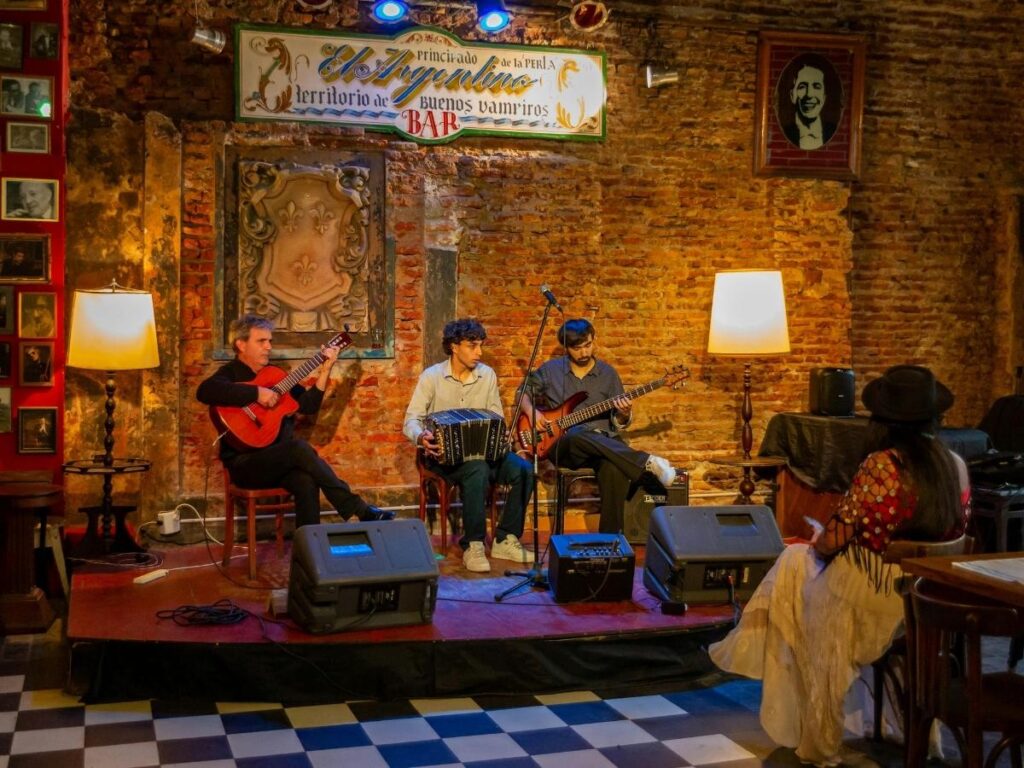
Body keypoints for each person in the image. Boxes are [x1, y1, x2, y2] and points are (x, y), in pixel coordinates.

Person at [709, 365, 971, 767]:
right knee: (796, 565)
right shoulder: (954, 465)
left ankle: (807, 725)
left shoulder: (883, 466)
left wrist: (818, 539)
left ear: (882, 421)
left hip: (876, 601)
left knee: (794, 561)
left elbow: (833, 540)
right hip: (929, 601)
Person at [197, 314, 393, 528]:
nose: (268, 346)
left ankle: (308, 552)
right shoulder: (231, 372)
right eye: (261, 341)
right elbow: (205, 390)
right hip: (245, 464)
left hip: (278, 462)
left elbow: (308, 406)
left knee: (306, 481)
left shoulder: (276, 374)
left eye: (270, 341)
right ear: (241, 344)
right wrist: (256, 393)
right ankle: (358, 509)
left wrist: (325, 370)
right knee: (299, 448)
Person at [519, 318, 676, 534]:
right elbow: (522, 393)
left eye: (588, 345)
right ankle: (645, 462)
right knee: (577, 431)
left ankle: (610, 540)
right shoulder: (551, 370)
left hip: (604, 444)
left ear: (594, 341)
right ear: (566, 348)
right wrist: (531, 411)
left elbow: (618, 423)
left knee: (614, 468)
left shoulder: (608, 374)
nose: (584, 352)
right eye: (577, 348)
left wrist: (624, 413)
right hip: (564, 445)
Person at [404, 318, 534, 573]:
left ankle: (505, 538)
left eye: (481, 346)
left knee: (522, 469)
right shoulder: (432, 377)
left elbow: (496, 416)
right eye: (473, 346)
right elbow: (411, 420)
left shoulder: (487, 375)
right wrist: (422, 438)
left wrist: (500, 434)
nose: (479, 352)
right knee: (477, 468)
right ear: (454, 346)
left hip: (484, 454)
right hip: (443, 458)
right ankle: (473, 544)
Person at [781, 57, 838, 150]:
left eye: (816, 86)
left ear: (824, 97)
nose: (809, 94)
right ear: (792, 95)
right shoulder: (785, 132)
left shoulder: (832, 132)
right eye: (802, 86)